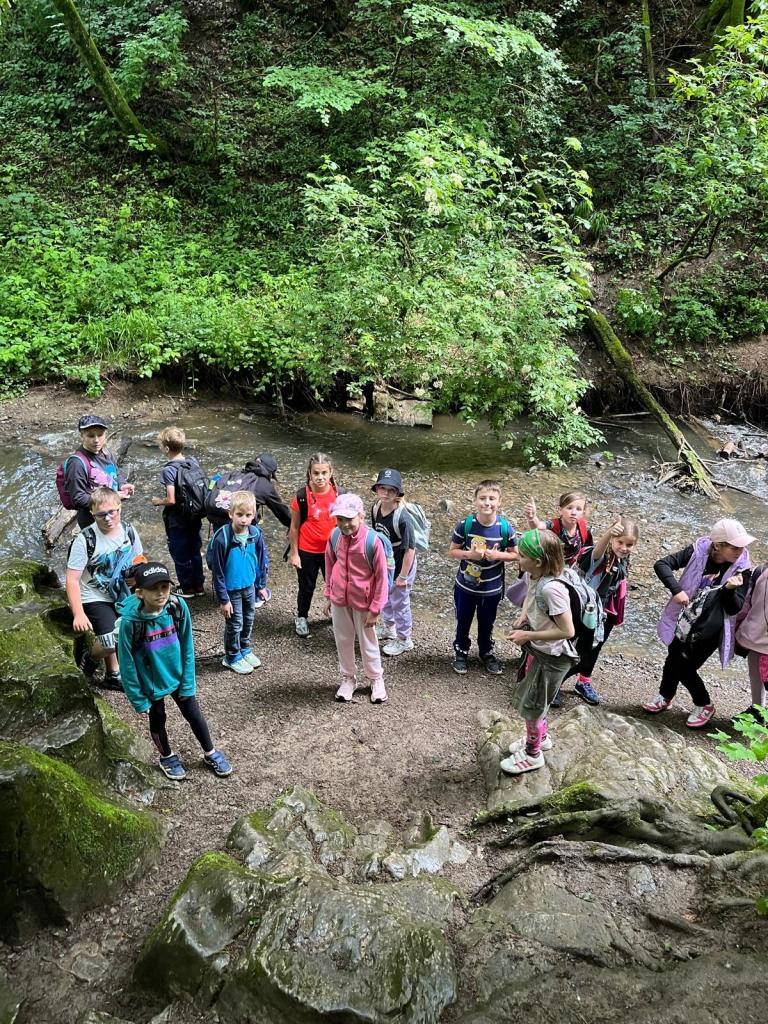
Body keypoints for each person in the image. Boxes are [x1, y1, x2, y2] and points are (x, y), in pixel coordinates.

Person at [117, 561, 232, 779]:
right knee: (157, 717)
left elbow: (187, 645)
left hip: (177, 675)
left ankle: (210, 752)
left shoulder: (177, 607)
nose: (161, 593)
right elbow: (126, 662)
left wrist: (188, 681)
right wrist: (138, 699)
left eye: (164, 587)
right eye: (153, 589)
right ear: (140, 593)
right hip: (150, 681)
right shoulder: (130, 623)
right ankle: (166, 756)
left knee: (193, 713)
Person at [642, 518, 754, 728]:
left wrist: (729, 590)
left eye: (742, 546)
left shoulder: (742, 569)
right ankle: (665, 696)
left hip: (711, 626)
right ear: (717, 545)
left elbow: (734, 608)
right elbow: (662, 565)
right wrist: (677, 591)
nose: (740, 551)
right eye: (734, 547)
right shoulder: (698, 551)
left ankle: (704, 704)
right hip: (685, 618)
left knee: (684, 665)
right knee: (674, 656)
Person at [500, 529, 577, 775]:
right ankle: (540, 738)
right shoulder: (534, 575)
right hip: (540, 651)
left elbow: (568, 631)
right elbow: (530, 597)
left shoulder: (552, 590)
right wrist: (524, 617)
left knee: (532, 705)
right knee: (536, 700)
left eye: (522, 556)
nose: (517, 558)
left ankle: (533, 755)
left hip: (554, 657)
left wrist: (527, 636)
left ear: (538, 561)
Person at [66, 487, 143, 690]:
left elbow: (139, 558)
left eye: (112, 512)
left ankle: (112, 674)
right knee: (109, 641)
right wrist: (78, 614)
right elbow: (72, 579)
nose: (108, 518)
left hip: (121, 591)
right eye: (101, 515)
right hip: (93, 595)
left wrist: (137, 578)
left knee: (129, 631)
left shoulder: (128, 531)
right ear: (92, 513)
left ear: (119, 508)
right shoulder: (85, 540)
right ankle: (90, 659)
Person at [563, 515, 640, 706]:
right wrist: (608, 534)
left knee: (595, 647)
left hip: (606, 611)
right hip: (585, 610)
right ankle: (554, 683)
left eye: (629, 544)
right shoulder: (600, 557)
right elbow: (596, 553)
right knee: (575, 647)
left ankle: (584, 681)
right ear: (612, 540)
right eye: (620, 542)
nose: (624, 548)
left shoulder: (623, 559)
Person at [323, 493, 389, 704]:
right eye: (340, 519)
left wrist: (376, 608)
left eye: (349, 519)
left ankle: (376, 678)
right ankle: (348, 678)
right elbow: (329, 564)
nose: (344, 524)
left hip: (364, 601)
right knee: (342, 640)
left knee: (368, 641)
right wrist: (329, 594)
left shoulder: (372, 542)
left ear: (361, 516)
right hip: (339, 598)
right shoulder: (334, 536)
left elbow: (382, 577)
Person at [449, 480, 518, 676]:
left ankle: (486, 651)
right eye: (483, 498)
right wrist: (470, 555)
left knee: (487, 622)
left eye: (492, 499)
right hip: (465, 587)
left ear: (499, 501)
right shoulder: (466, 525)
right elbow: (453, 551)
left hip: (491, 588)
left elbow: (515, 554)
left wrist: (497, 555)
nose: (487, 503)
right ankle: (461, 651)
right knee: (463, 621)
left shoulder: (505, 528)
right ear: (475, 500)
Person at [208, 491, 269, 676]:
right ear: (230, 514)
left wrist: (261, 585)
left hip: (249, 586)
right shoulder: (222, 539)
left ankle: (244, 648)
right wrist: (223, 599)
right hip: (231, 589)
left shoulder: (255, 534)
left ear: (254, 515)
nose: (244, 519)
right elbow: (217, 572)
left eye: (248, 515)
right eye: (239, 514)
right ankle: (232, 656)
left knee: (249, 619)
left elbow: (261, 561)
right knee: (235, 624)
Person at [289, 452, 341, 638]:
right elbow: (294, 527)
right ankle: (302, 617)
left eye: (324, 473)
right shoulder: (301, 496)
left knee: (336, 584)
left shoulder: (339, 494)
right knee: (306, 587)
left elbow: (346, 524)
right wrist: (294, 554)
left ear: (330, 472)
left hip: (332, 551)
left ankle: (338, 615)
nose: (320, 477)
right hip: (307, 551)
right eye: (316, 473)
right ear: (309, 474)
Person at [151, 426, 205, 600]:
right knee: (195, 550)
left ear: (167, 448)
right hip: (195, 514)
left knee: (181, 554)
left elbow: (171, 499)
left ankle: (187, 588)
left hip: (178, 519)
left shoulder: (168, 470)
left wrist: (158, 501)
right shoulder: (192, 462)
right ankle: (199, 585)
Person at [371, 468, 417, 657]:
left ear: (398, 493)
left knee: (400, 602)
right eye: (383, 488)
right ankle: (389, 628)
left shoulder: (402, 518)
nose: (386, 493)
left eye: (391, 490)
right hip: (387, 562)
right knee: (385, 595)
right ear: (377, 489)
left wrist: (403, 576)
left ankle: (405, 639)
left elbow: (410, 549)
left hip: (403, 564)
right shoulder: (376, 508)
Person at [63, 414, 134, 528]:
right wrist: (112, 497)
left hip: (112, 514)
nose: (96, 440)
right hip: (93, 522)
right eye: (91, 436)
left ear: (105, 434)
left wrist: (122, 485)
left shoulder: (106, 452)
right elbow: (78, 499)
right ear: (82, 435)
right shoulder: (77, 463)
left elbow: (116, 472)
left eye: (100, 435)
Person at [206, 453, 291, 530]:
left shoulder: (233, 474)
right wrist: (293, 525)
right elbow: (281, 511)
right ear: (271, 472)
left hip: (217, 520)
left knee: (221, 541)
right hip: (242, 526)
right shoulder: (264, 485)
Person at [734, 560, 768, 720]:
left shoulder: (761, 571)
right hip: (755, 637)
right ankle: (757, 710)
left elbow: (746, 605)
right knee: (756, 674)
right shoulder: (760, 571)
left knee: (756, 675)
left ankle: (758, 709)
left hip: (755, 635)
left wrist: (738, 625)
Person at [524, 491, 592, 568]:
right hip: (553, 566)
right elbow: (538, 526)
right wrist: (532, 518)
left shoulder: (583, 527)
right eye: (569, 508)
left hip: (574, 565)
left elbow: (587, 548)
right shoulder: (553, 525)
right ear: (560, 510)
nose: (573, 513)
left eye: (578, 509)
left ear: (583, 513)